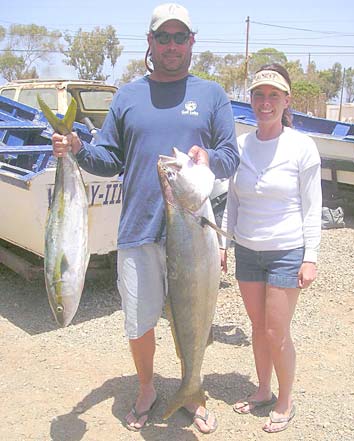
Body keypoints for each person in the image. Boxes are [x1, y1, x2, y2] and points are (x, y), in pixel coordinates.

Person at [51, 2, 239, 434]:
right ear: (150, 43)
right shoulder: (127, 96)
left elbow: (231, 156)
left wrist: (208, 157)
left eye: (179, 37)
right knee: (138, 320)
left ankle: (192, 388)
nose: (171, 45)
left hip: (194, 232)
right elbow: (108, 158)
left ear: (192, 42)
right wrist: (77, 148)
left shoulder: (211, 94)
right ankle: (147, 387)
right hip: (138, 231)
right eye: (163, 37)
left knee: (192, 317)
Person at [220, 63, 322, 433]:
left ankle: (285, 399)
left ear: (286, 100)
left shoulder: (302, 147)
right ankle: (262, 389)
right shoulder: (241, 146)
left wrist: (310, 257)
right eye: (259, 95)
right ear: (251, 100)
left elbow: (313, 208)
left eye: (273, 96)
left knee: (278, 332)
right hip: (247, 250)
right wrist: (223, 243)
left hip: (286, 251)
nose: (266, 103)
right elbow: (232, 200)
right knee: (258, 326)